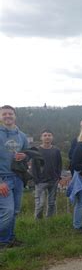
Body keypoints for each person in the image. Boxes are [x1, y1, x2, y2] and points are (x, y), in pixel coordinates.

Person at [0, 105, 29, 248]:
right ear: (0, 117)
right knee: (7, 210)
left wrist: (25, 155)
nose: (7, 116)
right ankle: (2, 240)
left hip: (17, 178)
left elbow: (28, 153)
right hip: (3, 179)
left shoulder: (22, 136)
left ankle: (8, 240)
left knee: (15, 211)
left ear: (15, 116)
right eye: (4, 114)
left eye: (10, 114)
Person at [31, 129, 62, 219]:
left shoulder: (56, 150)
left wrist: (58, 176)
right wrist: (36, 180)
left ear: (52, 137)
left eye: (49, 135)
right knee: (40, 204)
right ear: (41, 138)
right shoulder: (37, 150)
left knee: (52, 202)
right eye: (45, 135)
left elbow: (59, 164)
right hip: (40, 181)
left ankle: (49, 220)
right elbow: (33, 167)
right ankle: (38, 222)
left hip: (53, 180)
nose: (47, 137)